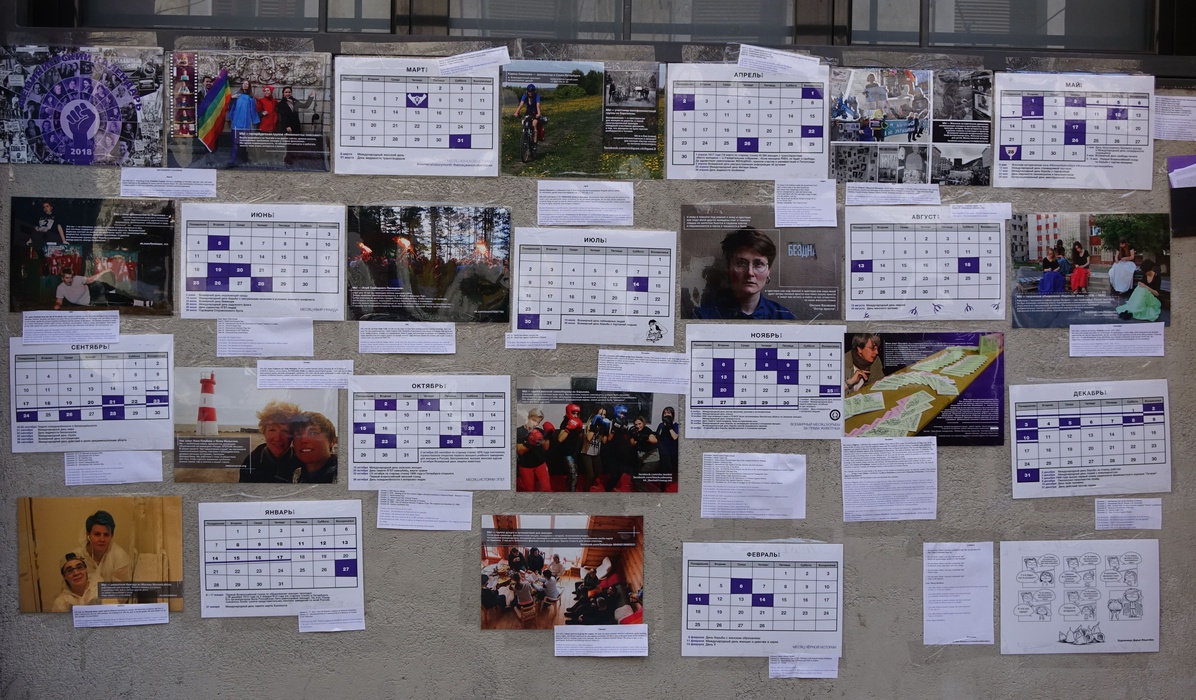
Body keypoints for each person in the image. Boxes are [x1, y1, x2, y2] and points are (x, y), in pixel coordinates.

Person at [693, 228, 796, 320]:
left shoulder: (784, 317)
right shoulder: (703, 316)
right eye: (741, 263)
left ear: (768, 270)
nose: (750, 273)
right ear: (728, 268)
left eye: (758, 264)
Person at [239, 400, 304, 483]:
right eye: (272, 430)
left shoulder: (302, 460)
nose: (278, 438)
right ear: (264, 432)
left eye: (285, 431)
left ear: (292, 436)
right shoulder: (251, 461)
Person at [54, 267, 153, 309]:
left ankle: (112, 291)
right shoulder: (60, 288)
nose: (70, 280)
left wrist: (103, 272)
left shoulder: (77, 278)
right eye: (67, 278)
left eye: (71, 277)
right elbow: (59, 302)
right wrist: (57, 307)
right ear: (62, 278)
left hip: (91, 289)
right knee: (116, 299)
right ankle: (142, 303)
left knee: (101, 284)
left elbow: (90, 280)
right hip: (91, 300)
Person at [80, 510, 133, 583]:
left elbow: (122, 589)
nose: (102, 539)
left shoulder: (120, 558)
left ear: (112, 536)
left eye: (106, 535)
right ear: (88, 535)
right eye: (97, 534)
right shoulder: (78, 556)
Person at [289, 411, 338, 483]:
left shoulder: (343, 475)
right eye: (298, 434)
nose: (303, 439)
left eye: (313, 433)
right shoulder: (297, 475)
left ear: (331, 441)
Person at [516, 408, 551, 491]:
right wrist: (530, 442)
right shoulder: (519, 431)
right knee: (529, 490)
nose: (535, 424)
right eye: (534, 420)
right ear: (528, 417)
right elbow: (520, 451)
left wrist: (548, 435)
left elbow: (546, 447)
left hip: (540, 464)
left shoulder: (539, 431)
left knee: (546, 488)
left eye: (538, 422)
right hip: (526, 466)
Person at [226, 79, 260, 166]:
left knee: (244, 142)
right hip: (236, 122)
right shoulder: (237, 95)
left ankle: (244, 159)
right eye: (244, 83)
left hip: (246, 123)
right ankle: (232, 159)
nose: (245, 85)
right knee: (235, 142)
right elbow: (231, 107)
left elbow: (253, 111)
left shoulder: (251, 98)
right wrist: (232, 98)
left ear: (249, 86)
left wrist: (255, 122)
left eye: (247, 84)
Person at [555, 403, 585, 491]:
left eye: (577, 413)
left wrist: (579, 430)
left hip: (574, 451)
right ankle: (572, 493)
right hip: (566, 453)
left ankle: (568, 489)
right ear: (568, 412)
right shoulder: (565, 423)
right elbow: (560, 439)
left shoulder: (578, 421)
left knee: (572, 473)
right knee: (574, 475)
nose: (575, 415)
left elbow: (580, 437)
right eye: (573, 413)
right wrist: (568, 428)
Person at [580, 408, 610, 490]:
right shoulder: (590, 424)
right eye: (600, 414)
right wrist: (594, 425)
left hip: (596, 453)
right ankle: (586, 490)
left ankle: (590, 483)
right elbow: (589, 438)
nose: (602, 416)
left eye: (604, 415)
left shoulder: (602, 426)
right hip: (586, 452)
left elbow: (604, 441)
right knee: (590, 474)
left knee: (599, 470)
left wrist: (606, 429)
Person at [655, 407, 679, 484]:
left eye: (668, 413)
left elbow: (675, 437)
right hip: (661, 449)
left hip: (671, 450)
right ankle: (662, 483)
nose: (666, 414)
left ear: (672, 414)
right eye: (665, 413)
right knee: (661, 468)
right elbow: (657, 436)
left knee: (669, 468)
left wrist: (669, 427)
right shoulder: (661, 425)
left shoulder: (676, 425)